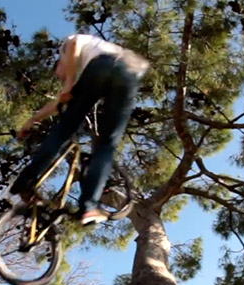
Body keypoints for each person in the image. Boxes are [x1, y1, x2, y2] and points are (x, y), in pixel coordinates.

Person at [11, 33, 149, 226]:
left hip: (108, 66)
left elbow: (75, 43)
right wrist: (32, 120)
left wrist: (69, 81)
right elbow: (58, 103)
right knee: (105, 145)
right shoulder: (79, 70)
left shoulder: (69, 48)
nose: (60, 77)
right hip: (124, 75)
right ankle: (88, 208)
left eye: (59, 73)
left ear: (61, 62)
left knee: (63, 133)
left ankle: (26, 180)